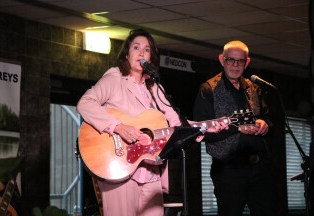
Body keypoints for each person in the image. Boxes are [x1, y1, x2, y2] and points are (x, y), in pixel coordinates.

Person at [77, 29, 227, 216]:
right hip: (120, 167)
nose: (141, 53)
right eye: (136, 48)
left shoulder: (154, 87)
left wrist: (206, 127)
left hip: (151, 171)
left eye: (147, 49)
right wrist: (119, 127)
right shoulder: (115, 78)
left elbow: (175, 123)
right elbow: (85, 103)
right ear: (126, 54)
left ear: (151, 57)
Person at [193, 40, 278, 216]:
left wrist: (264, 124)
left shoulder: (253, 88)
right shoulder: (208, 89)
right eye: (231, 60)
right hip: (228, 168)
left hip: (259, 166)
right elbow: (201, 131)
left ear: (247, 62)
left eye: (240, 61)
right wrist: (237, 128)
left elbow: (268, 118)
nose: (235, 65)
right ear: (221, 60)